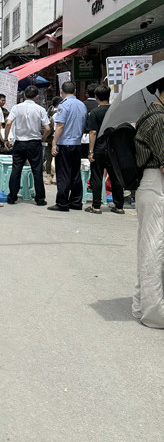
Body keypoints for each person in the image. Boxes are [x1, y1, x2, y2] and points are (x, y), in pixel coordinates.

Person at [133, 76, 164, 329]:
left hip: (149, 185)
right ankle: (155, 313)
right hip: (156, 185)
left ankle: (141, 304)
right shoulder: (160, 119)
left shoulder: (150, 114)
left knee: (149, 247)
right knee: (156, 248)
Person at [4, 86, 50, 206]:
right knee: (37, 170)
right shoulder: (40, 109)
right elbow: (48, 127)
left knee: (16, 169)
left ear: (24, 95)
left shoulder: (16, 108)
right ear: (36, 96)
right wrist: (43, 137)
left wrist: (6, 137)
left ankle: (12, 196)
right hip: (34, 142)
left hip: (20, 142)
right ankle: (40, 198)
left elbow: (8, 122)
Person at [85, 84, 124, 215]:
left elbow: (93, 132)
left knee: (97, 176)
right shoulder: (116, 111)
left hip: (99, 149)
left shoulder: (95, 112)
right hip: (114, 149)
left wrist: (91, 151)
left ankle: (96, 206)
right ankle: (119, 206)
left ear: (96, 97)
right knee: (115, 177)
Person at [48, 81, 87, 212]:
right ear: (75, 91)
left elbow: (60, 125)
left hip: (65, 143)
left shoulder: (63, 106)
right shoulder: (82, 105)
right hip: (77, 143)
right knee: (75, 173)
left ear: (61, 92)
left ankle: (62, 203)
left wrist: (54, 143)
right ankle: (76, 201)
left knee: (63, 173)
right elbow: (82, 125)